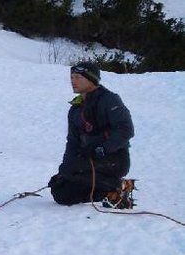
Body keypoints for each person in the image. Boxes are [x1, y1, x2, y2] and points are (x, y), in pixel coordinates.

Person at [49, 62, 135, 208]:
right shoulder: (75, 109)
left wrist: (103, 149)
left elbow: (126, 129)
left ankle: (119, 187)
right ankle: (108, 193)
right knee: (61, 193)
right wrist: (64, 169)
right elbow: (72, 141)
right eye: (71, 77)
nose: (73, 81)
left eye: (78, 77)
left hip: (114, 159)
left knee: (73, 171)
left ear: (91, 79)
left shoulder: (109, 99)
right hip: (88, 161)